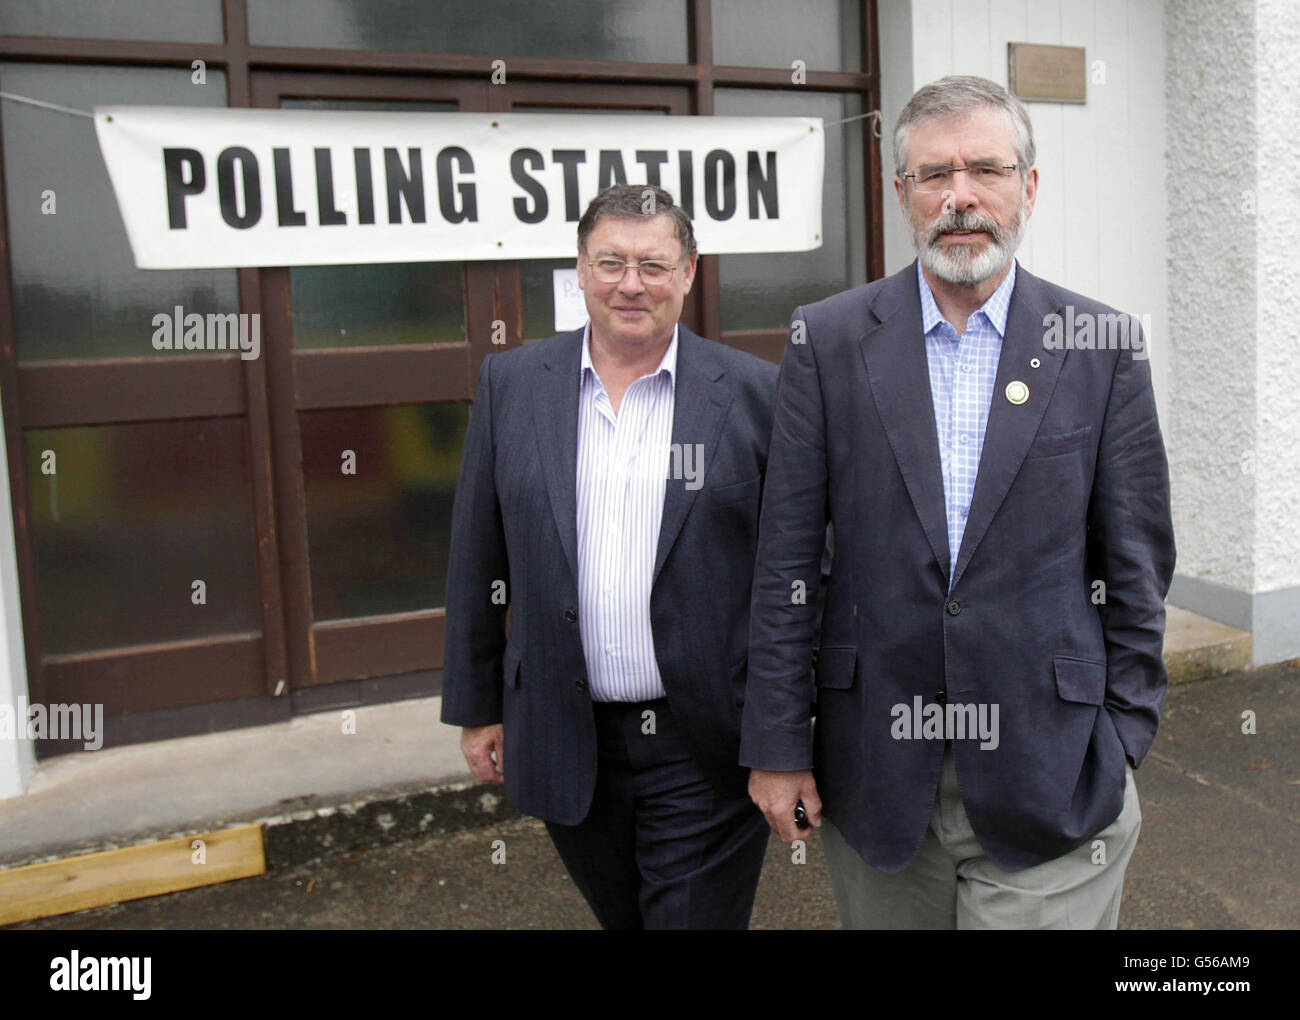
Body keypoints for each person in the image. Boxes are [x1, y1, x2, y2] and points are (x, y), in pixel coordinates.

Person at [741, 75, 1176, 929]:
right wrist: (779, 748)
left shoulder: (1100, 347)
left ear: (1029, 186)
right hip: (874, 769)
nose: (961, 197)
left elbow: (1136, 562)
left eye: (986, 169)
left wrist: (1124, 733)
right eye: (934, 175)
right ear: (902, 193)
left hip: (1054, 767)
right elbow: (785, 562)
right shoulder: (825, 341)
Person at [441, 183, 778, 929]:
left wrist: (787, 728)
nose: (632, 284)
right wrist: (477, 706)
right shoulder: (514, 386)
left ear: (689, 272)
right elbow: (478, 556)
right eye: (612, 262)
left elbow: (796, 573)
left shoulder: (757, 396)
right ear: (581, 271)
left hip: (706, 743)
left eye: (654, 265)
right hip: (564, 733)